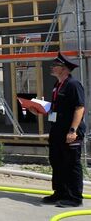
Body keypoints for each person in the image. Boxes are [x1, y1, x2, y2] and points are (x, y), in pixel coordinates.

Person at [39, 52, 86, 208]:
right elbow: (55, 108)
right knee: (57, 161)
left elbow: (79, 108)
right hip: (57, 130)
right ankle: (59, 193)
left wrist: (73, 130)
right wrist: (39, 109)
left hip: (69, 131)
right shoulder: (57, 85)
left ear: (64, 69)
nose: (52, 67)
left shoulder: (73, 85)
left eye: (55, 66)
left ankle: (74, 197)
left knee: (71, 163)